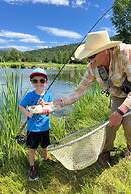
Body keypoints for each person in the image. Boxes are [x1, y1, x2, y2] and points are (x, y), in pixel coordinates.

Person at [54, 30, 131, 164]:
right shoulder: (92, 67)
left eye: (92, 55)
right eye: (87, 56)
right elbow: (79, 91)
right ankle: (106, 152)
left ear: (106, 50)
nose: (89, 60)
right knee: (111, 124)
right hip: (118, 95)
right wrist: (60, 102)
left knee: (129, 123)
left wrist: (121, 111)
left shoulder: (126, 53)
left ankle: (130, 149)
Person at [19, 67, 53, 181]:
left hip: (45, 127)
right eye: (35, 81)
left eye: (42, 81)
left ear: (46, 82)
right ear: (32, 82)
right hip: (33, 129)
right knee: (32, 149)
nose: (39, 83)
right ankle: (32, 167)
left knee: (45, 146)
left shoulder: (48, 95)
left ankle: (45, 159)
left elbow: (51, 108)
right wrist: (27, 113)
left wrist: (45, 106)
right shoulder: (29, 95)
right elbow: (21, 106)